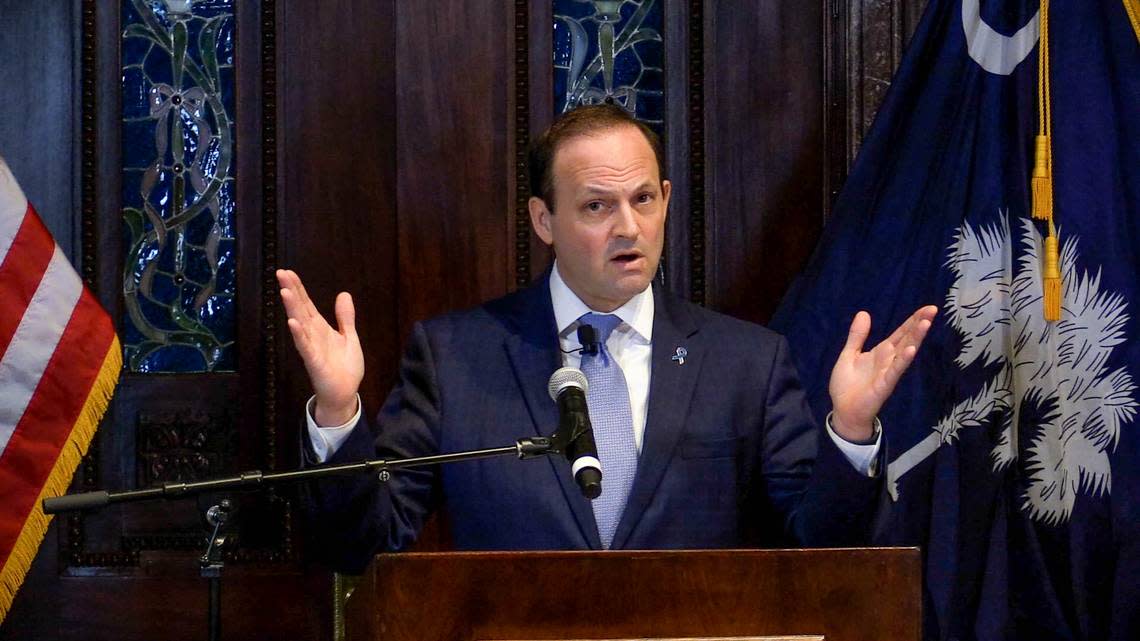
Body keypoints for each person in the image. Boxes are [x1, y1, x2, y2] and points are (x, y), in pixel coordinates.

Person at [277, 104, 937, 572]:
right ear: (544, 218)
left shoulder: (746, 362)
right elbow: (358, 544)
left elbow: (824, 543)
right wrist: (338, 413)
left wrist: (849, 431)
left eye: (644, 200)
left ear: (667, 200)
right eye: (597, 205)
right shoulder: (456, 359)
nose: (629, 226)